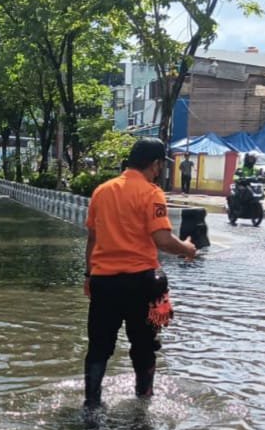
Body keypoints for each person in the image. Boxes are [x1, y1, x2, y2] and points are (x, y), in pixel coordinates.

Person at [82, 137, 198, 410]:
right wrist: (189, 249)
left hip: (103, 282)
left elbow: (91, 238)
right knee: (144, 346)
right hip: (139, 283)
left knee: (99, 347)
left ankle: (91, 403)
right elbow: (163, 240)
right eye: (161, 165)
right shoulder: (151, 193)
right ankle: (143, 402)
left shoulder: (102, 191)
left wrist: (88, 276)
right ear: (156, 164)